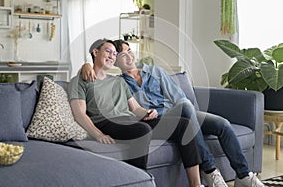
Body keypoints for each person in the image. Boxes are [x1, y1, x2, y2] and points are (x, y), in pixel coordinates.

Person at [80, 39, 265, 187]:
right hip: (160, 119)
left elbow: (181, 98)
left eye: (130, 51)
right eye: (122, 54)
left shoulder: (155, 72)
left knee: (222, 124)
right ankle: (209, 170)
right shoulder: (118, 83)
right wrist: (86, 65)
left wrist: (188, 114)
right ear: (115, 61)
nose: (128, 56)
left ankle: (244, 175)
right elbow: (97, 73)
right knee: (185, 110)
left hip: (184, 112)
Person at [68, 39, 205, 187]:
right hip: (105, 122)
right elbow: (79, 114)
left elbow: (135, 108)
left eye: (114, 53)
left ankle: (196, 184)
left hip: (130, 120)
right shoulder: (80, 80)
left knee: (183, 125)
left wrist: (147, 112)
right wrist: (98, 134)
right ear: (95, 52)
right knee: (142, 130)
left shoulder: (118, 82)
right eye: (108, 51)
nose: (112, 56)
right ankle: (138, 183)